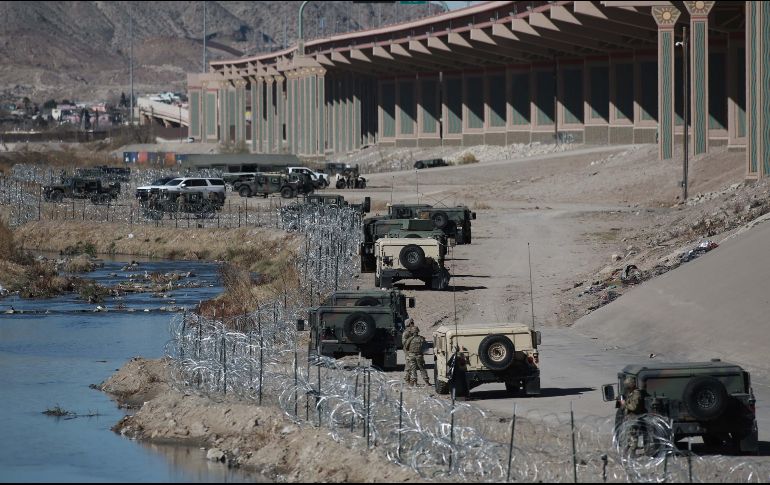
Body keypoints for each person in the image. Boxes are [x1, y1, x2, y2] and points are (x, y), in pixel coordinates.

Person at [620, 376, 646, 456]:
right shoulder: (631, 393)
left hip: (634, 417)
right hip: (630, 417)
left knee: (633, 437)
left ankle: (632, 453)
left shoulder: (636, 393)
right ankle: (627, 451)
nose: (626, 388)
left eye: (627, 386)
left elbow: (634, 407)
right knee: (629, 436)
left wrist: (625, 404)